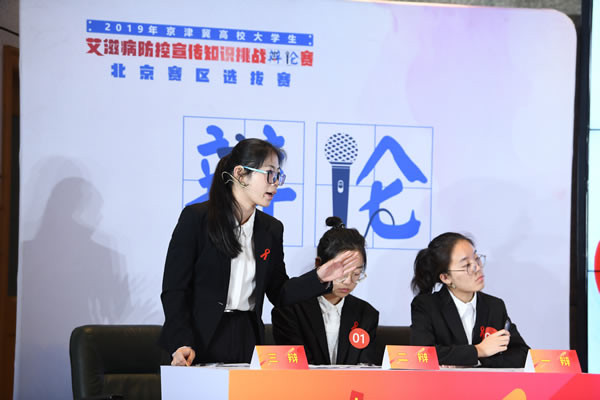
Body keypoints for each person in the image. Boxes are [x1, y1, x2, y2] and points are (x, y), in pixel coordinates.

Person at [159, 139, 361, 366]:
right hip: (196, 337)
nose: (275, 183)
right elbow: (175, 290)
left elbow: (280, 292)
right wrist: (181, 341)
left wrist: (320, 277)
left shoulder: (271, 229)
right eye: (269, 174)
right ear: (240, 174)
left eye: (278, 175)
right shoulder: (197, 218)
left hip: (247, 336)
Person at [409, 232, 529, 367]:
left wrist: (477, 360)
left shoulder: (494, 306)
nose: (477, 267)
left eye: (476, 259)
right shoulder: (426, 306)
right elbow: (422, 354)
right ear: (446, 278)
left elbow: (523, 354)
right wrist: (479, 350)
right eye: (466, 265)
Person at [271, 216, 379, 365]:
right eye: (342, 273)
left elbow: (366, 365)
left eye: (356, 274)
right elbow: (294, 364)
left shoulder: (366, 314)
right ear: (319, 265)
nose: (348, 282)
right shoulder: (291, 310)